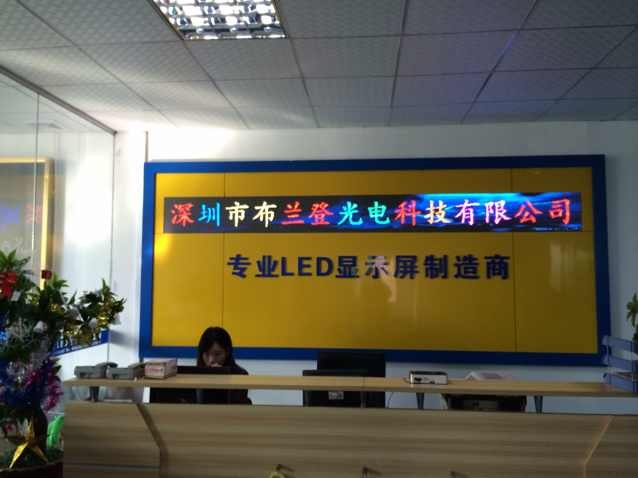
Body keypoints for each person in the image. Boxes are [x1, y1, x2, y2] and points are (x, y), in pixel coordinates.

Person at [196, 326, 251, 404]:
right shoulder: (193, 375)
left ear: (227, 352)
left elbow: (235, 406)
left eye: (217, 354)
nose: (211, 360)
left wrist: (221, 380)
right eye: (207, 354)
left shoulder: (240, 375)